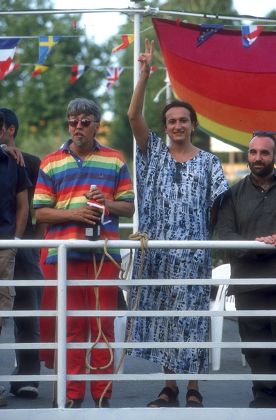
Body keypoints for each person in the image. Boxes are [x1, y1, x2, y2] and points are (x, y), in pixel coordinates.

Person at [127, 39, 228, 408]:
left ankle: (193, 386)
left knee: (194, 319)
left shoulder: (210, 163)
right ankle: (169, 386)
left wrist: (200, 240)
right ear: (166, 126)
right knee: (168, 318)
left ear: (193, 125)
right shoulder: (152, 152)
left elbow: (218, 208)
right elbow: (133, 117)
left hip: (194, 254)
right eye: (171, 120)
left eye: (183, 119)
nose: (177, 125)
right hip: (158, 254)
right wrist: (143, 75)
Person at [33, 97, 134, 408]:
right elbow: (40, 213)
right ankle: (73, 395)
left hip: (103, 254)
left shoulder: (116, 160)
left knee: (103, 327)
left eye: (84, 122)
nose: (77, 127)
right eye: (72, 122)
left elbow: (128, 207)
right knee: (71, 327)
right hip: (63, 255)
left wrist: (105, 202)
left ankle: (102, 395)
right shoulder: (50, 161)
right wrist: (76, 215)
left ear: (96, 125)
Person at [216, 132, 276, 408]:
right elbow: (223, 232)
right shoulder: (232, 194)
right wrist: (255, 245)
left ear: (273, 157)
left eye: (264, 153)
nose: (258, 158)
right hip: (249, 284)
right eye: (253, 152)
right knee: (255, 348)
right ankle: (263, 399)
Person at [0, 108, 45, 400]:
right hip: (7, 242)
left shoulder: (29, 162)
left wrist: (33, 244)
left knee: (27, 312)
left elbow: (37, 207)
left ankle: (27, 377)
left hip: (23, 246)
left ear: (10, 129)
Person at [0, 112, 30, 406]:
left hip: (4, 246)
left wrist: (15, 241)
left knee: (0, 314)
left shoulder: (14, 160)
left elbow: (24, 203)